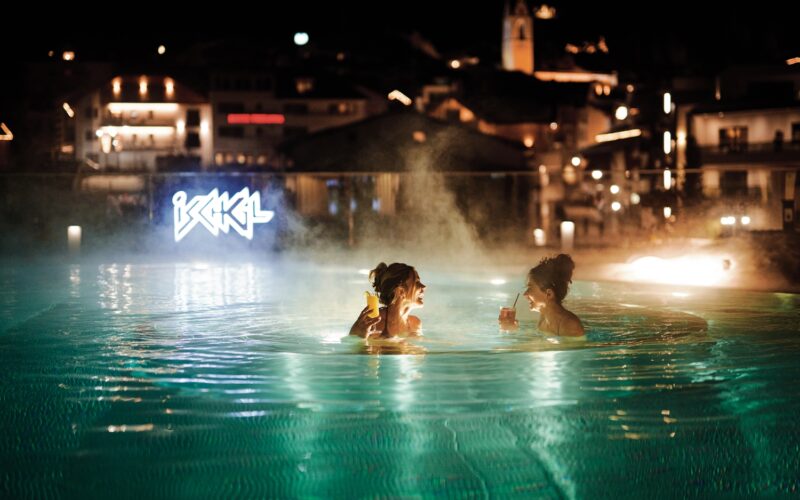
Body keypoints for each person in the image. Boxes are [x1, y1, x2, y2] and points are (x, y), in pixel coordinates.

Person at [499, 254, 585, 337]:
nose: (525, 294)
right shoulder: (544, 319)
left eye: (530, 288)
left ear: (549, 294)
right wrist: (512, 330)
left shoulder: (570, 325)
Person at [350, 262, 425, 339]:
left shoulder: (415, 323)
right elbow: (357, 348)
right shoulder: (374, 322)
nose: (424, 286)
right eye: (417, 282)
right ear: (400, 291)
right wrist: (360, 336)